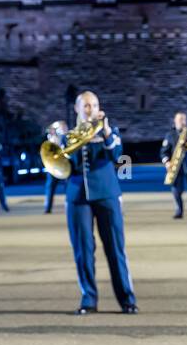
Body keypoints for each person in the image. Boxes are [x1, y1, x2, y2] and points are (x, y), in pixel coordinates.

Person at [63, 91, 137, 314]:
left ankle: (127, 299)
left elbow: (117, 155)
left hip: (106, 193)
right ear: (77, 109)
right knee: (83, 250)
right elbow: (64, 168)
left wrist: (104, 131)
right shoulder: (68, 135)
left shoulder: (109, 131)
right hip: (78, 196)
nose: (90, 109)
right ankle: (88, 298)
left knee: (115, 247)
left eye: (94, 105)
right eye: (86, 106)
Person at [160, 111, 187, 219]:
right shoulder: (170, 135)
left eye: (184, 119)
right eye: (180, 119)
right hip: (176, 167)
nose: (182, 121)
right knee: (176, 190)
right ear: (175, 121)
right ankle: (179, 211)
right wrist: (167, 162)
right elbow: (164, 151)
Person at [43, 121, 63, 214]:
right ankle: (48, 207)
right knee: (50, 187)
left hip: (63, 165)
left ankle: (69, 204)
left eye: (54, 129)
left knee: (69, 186)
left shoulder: (62, 138)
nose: (52, 131)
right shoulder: (50, 139)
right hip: (53, 166)